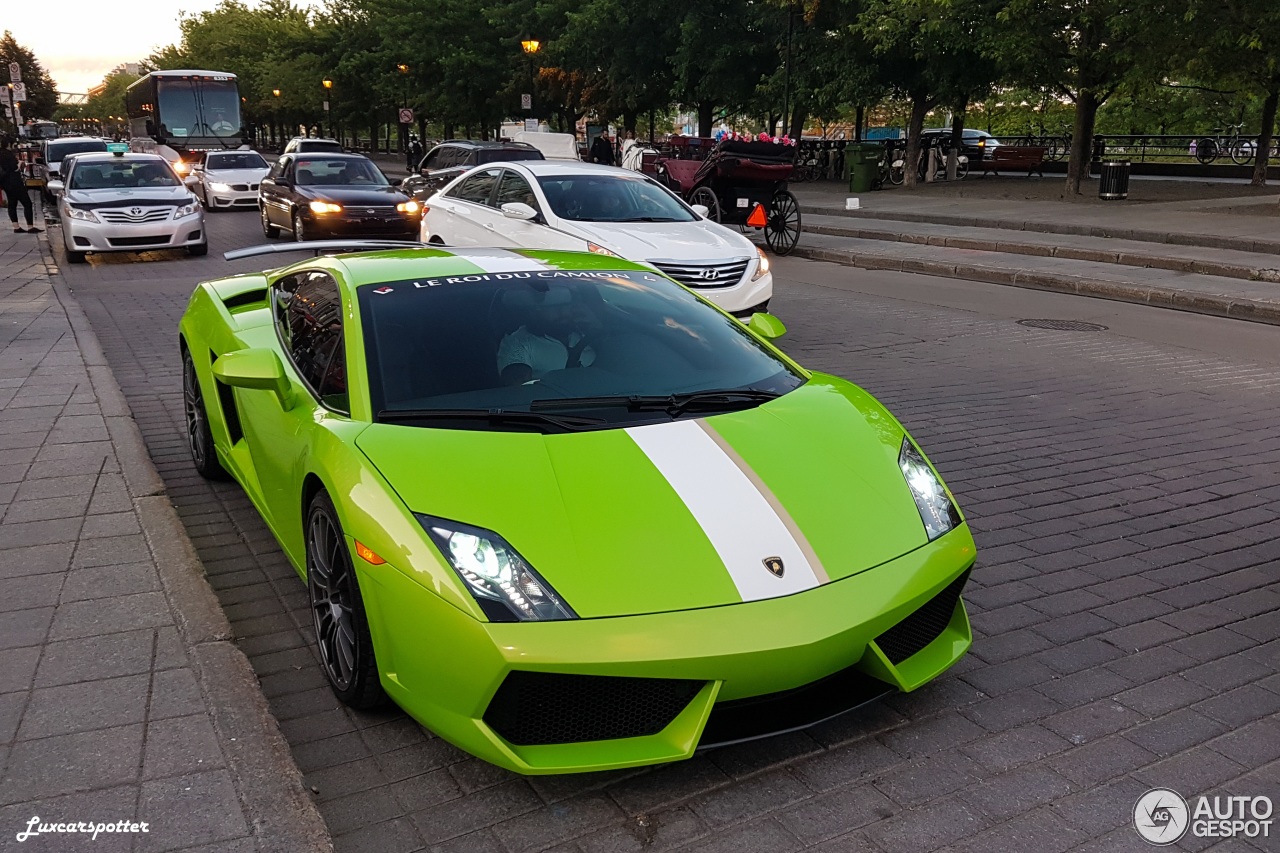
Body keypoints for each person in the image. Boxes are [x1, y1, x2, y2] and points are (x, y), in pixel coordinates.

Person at [497, 286, 597, 384]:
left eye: (566, 305)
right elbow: (518, 393)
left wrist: (598, 328)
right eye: (553, 307)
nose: (562, 313)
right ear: (535, 311)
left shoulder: (585, 330)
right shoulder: (519, 344)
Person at [0, 140, 40, 234]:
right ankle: (30, 227)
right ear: (9, 144)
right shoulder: (8, 154)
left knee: (12, 203)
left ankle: (16, 226)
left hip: (5, 183)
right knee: (27, 203)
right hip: (15, 182)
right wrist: (20, 163)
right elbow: (15, 168)